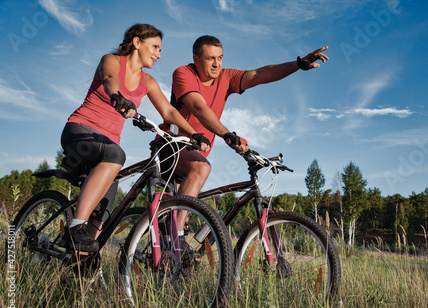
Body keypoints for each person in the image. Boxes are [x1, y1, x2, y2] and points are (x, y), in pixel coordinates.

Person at [59, 24, 210, 252]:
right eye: (155, 47)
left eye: (160, 49)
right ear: (137, 42)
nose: (159, 54)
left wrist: (193, 133)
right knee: (116, 154)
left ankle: (80, 262)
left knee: (103, 216)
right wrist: (117, 97)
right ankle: (74, 228)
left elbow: (169, 112)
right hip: (80, 131)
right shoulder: (111, 60)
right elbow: (111, 79)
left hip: (107, 148)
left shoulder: (147, 82)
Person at [163, 35, 328, 232]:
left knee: (192, 198)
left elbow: (261, 74)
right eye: (210, 59)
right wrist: (228, 135)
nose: (217, 64)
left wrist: (298, 64)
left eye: (220, 58)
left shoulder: (226, 77)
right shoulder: (184, 73)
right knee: (200, 170)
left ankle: (174, 239)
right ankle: (176, 235)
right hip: (171, 148)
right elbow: (198, 107)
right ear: (196, 59)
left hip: (197, 155)